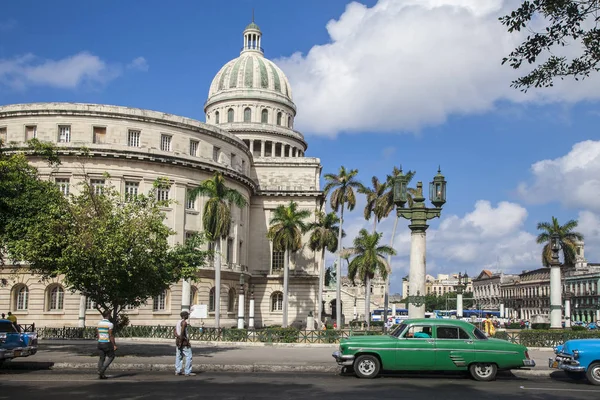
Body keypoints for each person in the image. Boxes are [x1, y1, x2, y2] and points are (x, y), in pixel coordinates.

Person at [97, 310, 117, 379]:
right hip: (106, 343)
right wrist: (114, 345)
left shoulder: (99, 323)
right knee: (111, 356)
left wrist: (100, 340)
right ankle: (102, 371)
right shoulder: (110, 324)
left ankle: (101, 374)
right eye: (110, 314)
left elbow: (98, 334)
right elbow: (110, 335)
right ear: (108, 315)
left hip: (100, 343)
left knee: (101, 358)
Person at [175, 310, 195, 376]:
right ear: (184, 316)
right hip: (183, 342)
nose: (188, 316)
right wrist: (184, 341)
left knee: (179, 356)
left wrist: (178, 338)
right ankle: (187, 372)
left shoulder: (178, 322)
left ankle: (178, 371)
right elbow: (182, 332)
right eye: (187, 315)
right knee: (189, 356)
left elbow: (175, 332)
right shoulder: (184, 323)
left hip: (178, 341)